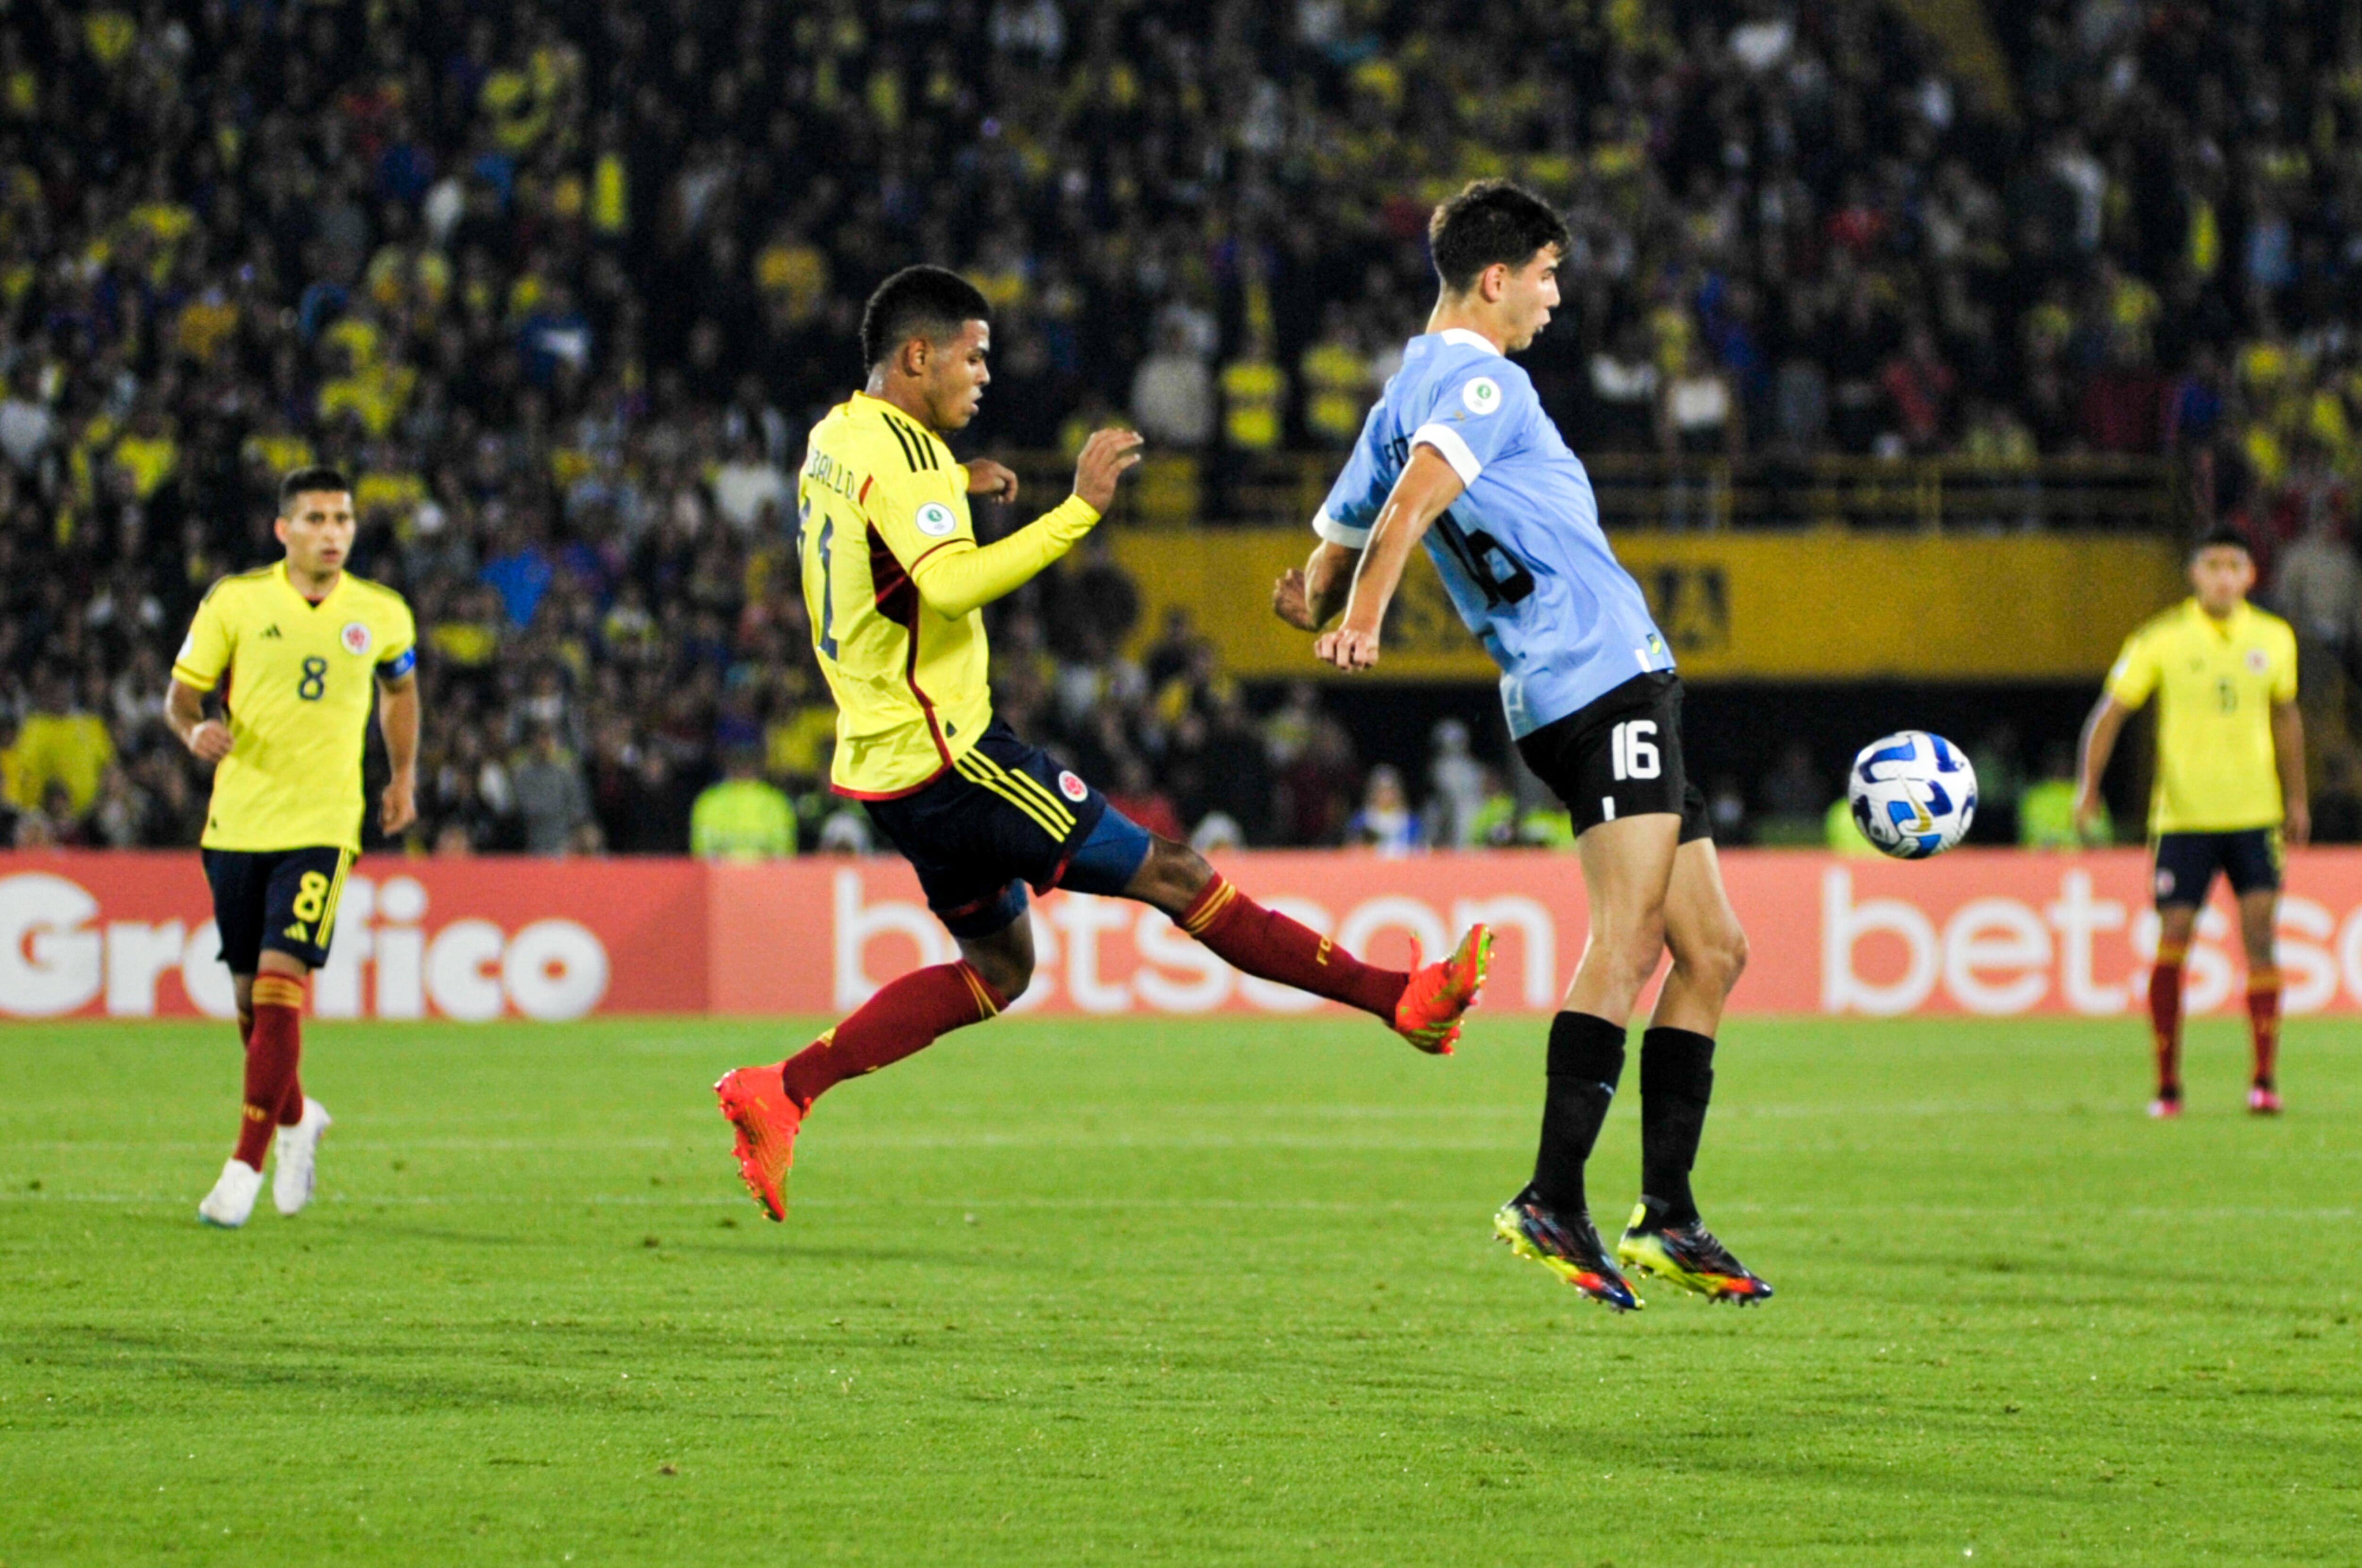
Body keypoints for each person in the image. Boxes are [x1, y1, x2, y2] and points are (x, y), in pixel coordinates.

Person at [714, 266, 1491, 1223]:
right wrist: (1076, 509)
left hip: (887, 771)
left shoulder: (837, 435)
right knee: (1177, 874)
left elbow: (871, 515)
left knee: (1000, 971)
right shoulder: (906, 462)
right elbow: (950, 587)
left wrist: (959, 479)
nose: (986, 373)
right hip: (957, 757)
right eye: (974, 354)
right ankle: (1399, 1000)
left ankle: (782, 1089)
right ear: (919, 356)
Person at [1273, 180, 1767, 1311]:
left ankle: (1670, 1215)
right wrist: (1361, 621)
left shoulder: (1398, 392)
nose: (1553, 297)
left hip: (1589, 690)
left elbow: (1337, 540)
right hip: (1599, 685)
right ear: (1495, 280)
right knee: (1632, 935)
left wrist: (1313, 600)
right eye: (1545, 275)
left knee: (1714, 949)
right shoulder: (1483, 377)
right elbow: (1406, 507)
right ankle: (1552, 1196)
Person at [165, 466, 420, 1228]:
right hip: (237, 823)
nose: (333, 531)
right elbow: (182, 696)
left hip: (324, 826)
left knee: (281, 985)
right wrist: (193, 730)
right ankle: (297, 1117)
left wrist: (402, 776)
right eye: (315, 518)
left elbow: (400, 692)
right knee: (250, 1003)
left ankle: (242, 1167)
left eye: (343, 518)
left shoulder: (381, 613)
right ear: (284, 530)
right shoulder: (236, 601)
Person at [2075, 527, 2306, 1118]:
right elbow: (2110, 713)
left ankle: (2263, 1079)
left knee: (2260, 939)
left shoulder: (2274, 638)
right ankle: (2167, 1085)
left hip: (2255, 814)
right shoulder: (2161, 639)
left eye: (2234, 565)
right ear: (2194, 574)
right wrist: (2088, 787)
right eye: (2212, 565)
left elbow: (2286, 719)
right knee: (2173, 939)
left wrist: (2297, 800)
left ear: (2250, 575)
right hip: (2182, 819)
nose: (2223, 575)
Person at [690, 747, 798, 860]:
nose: (743, 765)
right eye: (739, 758)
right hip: (724, 877)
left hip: (762, 877)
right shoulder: (709, 801)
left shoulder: (777, 802)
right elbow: (703, 857)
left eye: (747, 759)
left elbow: (783, 858)